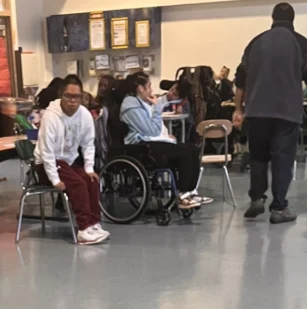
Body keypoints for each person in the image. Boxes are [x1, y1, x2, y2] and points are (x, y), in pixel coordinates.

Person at [234, 3, 307, 224]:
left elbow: (240, 80)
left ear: (272, 18)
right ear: (293, 19)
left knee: (258, 158)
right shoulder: (301, 43)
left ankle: (256, 199)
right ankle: (279, 208)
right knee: (283, 160)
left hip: (256, 112)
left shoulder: (256, 42)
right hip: (286, 112)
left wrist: (237, 109)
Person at [34, 74, 109, 246]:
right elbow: (46, 152)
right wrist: (54, 179)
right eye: (68, 96)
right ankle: (83, 229)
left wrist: (89, 168)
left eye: (77, 97)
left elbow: (88, 144)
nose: (73, 101)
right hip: (46, 165)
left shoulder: (84, 115)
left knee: (91, 180)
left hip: (67, 162)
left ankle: (93, 224)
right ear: (61, 95)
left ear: (82, 97)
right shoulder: (50, 116)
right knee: (78, 184)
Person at [120, 71, 209, 211]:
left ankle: (190, 192)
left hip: (149, 140)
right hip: (140, 146)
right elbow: (152, 130)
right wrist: (156, 108)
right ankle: (182, 194)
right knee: (184, 152)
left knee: (193, 150)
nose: (151, 90)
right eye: (149, 86)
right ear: (140, 88)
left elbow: (154, 127)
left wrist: (166, 135)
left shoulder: (140, 102)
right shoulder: (130, 106)